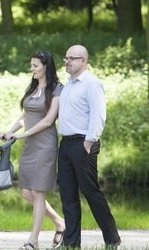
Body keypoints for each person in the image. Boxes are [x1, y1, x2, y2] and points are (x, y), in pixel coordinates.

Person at [0, 50, 65, 250]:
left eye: (35, 65)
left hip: (45, 144)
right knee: (26, 192)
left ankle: (33, 241)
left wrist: (22, 135)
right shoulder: (33, 87)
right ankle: (60, 223)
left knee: (37, 191)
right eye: (31, 65)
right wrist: (10, 132)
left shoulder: (57, 89)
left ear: (46, 66)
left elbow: (48, 120)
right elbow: (25, 116)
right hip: (30, 144)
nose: (32, 69)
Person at [57, 45, 121, 249]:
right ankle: (71, 242)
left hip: (83, 144)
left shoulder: (92, 84)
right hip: (66, 145)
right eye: (66, 58)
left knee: (91, 192)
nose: (67, 61)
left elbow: (98, 115)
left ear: (83, 60)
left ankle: (112, 239)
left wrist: (89, 141)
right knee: (67, 195)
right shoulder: (68, 84)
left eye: (72, 58)